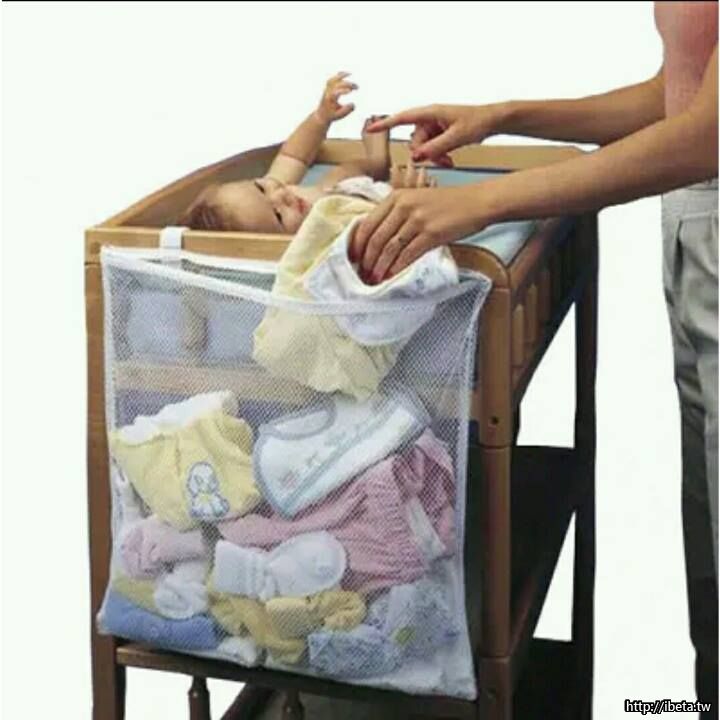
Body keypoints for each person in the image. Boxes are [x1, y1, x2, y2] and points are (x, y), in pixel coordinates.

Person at [352, 2, 718, 715]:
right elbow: (677, 94)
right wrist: (504, 117)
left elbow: (710, 134)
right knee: (709, 559)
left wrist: (484, 202)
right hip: (693, 236)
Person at [179, 72, 434, 233]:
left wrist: (320, 118)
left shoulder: (280, 191)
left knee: (341, 173)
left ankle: (376, 160)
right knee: (409, 206)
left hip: (342, 188)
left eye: (261, 188)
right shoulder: (323, 242)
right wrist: (403, 198)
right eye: (278, 216)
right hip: (378, 211)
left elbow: (293, 156)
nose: (281, 195)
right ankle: (408, 197)